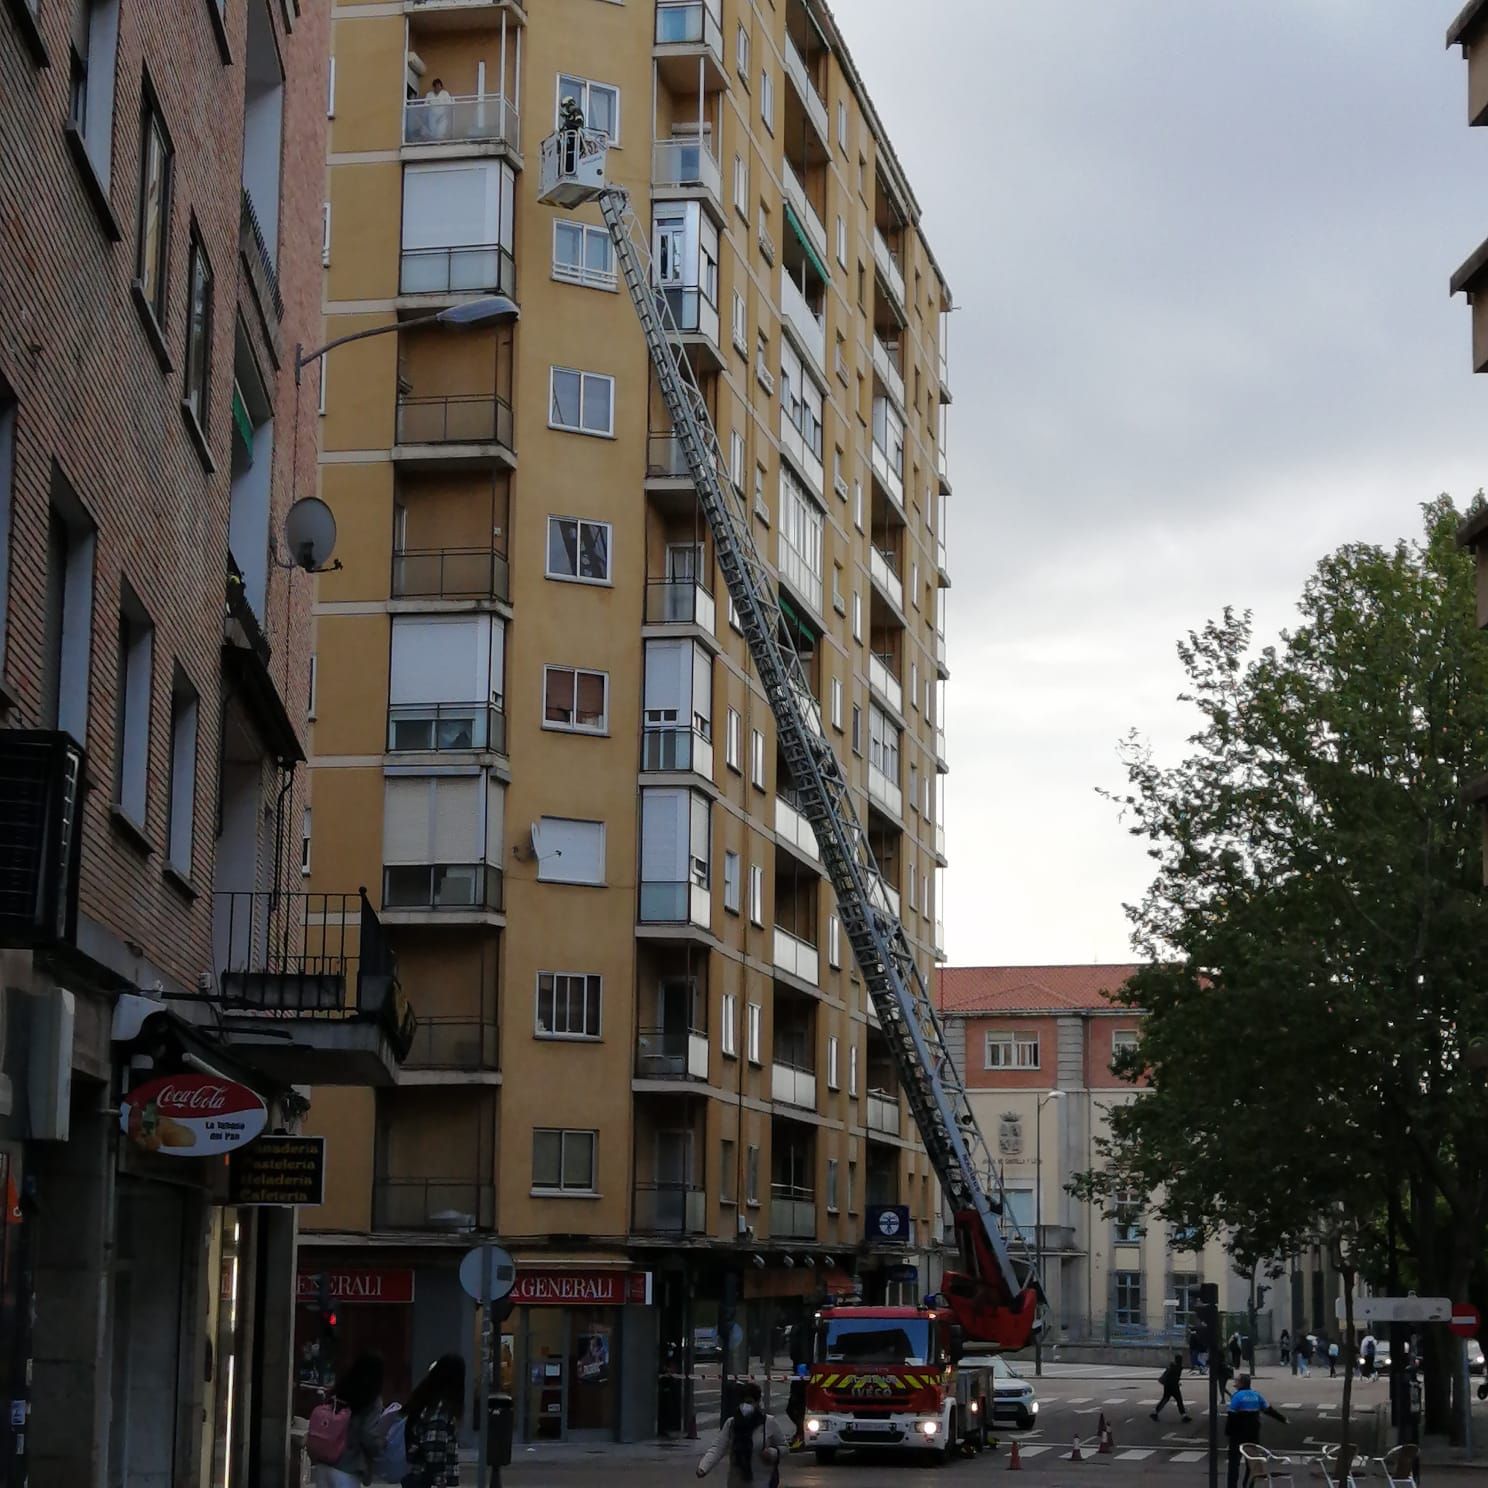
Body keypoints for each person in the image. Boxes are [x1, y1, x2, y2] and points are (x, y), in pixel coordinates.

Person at [312, 1353, 388, 1488]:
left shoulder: (340, 1389)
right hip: (348, 1467)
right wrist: (381, 1444)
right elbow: (367, 1434)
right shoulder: (372, 1399)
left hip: (324, 1465)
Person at [698, 1380, 786, 1487]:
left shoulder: (769, 1422)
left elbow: (784, 1447)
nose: (745, 1406)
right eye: (742, 1402)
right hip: (737, 1482)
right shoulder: (732, 1424)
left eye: (749, 1402)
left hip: (762, 1481)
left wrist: (773, 1452)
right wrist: (703, 1467)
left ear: (757, 1402)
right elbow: (717, 1448)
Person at [402, 1354, 466, 1488]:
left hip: (417, 1476)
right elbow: (434, 1447)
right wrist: (441, 1482)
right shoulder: (441, 1407)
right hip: (426, 1478)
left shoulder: (427, 1399)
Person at [1225, 1375, 1287, 1488]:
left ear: (1241, 1383)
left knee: (1234, 1464)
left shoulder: (1237, 1396)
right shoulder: (1256, 1395)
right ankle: (1248, 1485)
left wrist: (1228, 1433)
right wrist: (1283, 1419)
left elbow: (1231, 1416)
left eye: (1237, 1381)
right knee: (1252, 1463)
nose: (1235, 1382)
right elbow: (1268, 1410)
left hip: (1238, 1435)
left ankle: (1232, 1486)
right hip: (1253, 1434)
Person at [1150, 1353, 1192, 1423]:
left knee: (1165, 1399)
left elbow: (1170, 1376)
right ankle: (1184, 1416)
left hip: (1168, 1386)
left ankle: (1155, 1413)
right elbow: (1174, 1377)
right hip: (1174, 1387)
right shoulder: (1178, 1368)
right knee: (1179, 1400)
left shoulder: (1172, 1366)